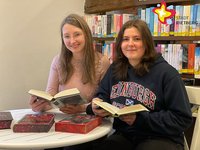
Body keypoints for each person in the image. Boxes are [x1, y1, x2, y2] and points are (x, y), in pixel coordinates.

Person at [87, 19, 193, 150]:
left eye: (137, 39)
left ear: (147, 43)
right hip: (125, 135)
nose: (130, 44)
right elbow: (103, 95)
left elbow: (182, 118)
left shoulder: (168, 74)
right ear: (120, 44)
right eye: (125, 39)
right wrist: (96, 106)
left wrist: (141, 119)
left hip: (161, 138)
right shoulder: (115, 68)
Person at [29, 14, 110, 150]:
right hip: (63, 120)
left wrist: (81, 108)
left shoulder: (102, 62)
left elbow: (105, 102)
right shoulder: (58, 61)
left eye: (77, 34)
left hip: (90, 125)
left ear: (86, 35)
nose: (72, 41)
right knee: (46, 144)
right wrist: (40, 106)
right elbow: (51, 95)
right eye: (67, 36)